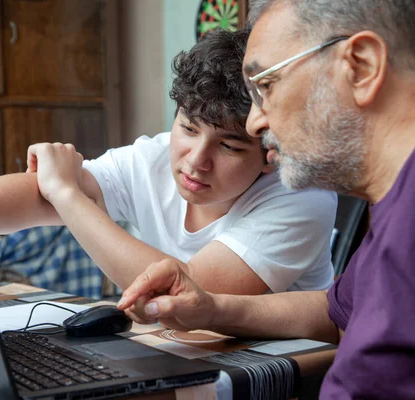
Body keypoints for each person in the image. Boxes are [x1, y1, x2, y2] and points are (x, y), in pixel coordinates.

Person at [0, 29, 336, 296]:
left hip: (271, 370)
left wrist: (69, 195)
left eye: (229, 147)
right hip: (177, 349)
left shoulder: (302, 193)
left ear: (269, 152)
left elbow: (189, 291)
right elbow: (42, 193)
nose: (196, 161)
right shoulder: (154, 156)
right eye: (188, 128)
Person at [118, 0, 415, 397]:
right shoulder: (393, 207)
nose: (256, 122)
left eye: (267, 85)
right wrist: (211, 309)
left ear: (360, 66)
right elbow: (337, 312)